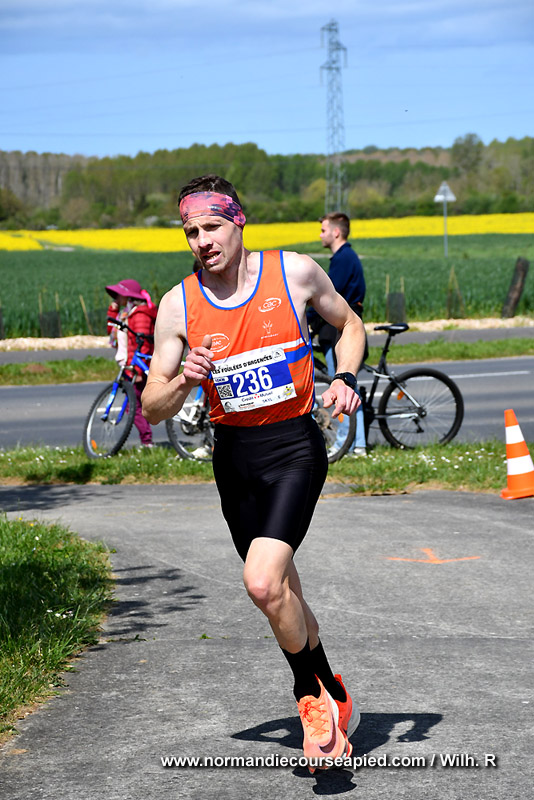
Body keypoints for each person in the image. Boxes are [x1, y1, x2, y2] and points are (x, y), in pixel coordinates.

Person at [141, 175, 366, 772]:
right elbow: (152, 405)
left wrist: (345, 377)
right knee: (284, 593)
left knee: (262, 584)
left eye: (212, 226)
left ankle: (310, 702)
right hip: (234, 461)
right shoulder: (178, 304)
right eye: (191, 231)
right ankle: (334, 691)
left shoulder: (294, 273)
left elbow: (350, 325)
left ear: (238, 221)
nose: (202, 241)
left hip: (294, 448)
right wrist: (184, 379)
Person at [308, 212, 368, 457]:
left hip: (338, 332)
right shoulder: (345, 257)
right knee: (346, 387)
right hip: (336, 330)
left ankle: (349, 443)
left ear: (336, 232)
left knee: (342, 387)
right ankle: (356, 443)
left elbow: (328, 299)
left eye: (323, 230)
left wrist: (307, 320)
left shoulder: (343, 259)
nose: (320, 235)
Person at [106, 278, 158, 447]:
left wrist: (137, 370)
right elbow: (112, 330)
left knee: (133, 407)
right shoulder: (127, 313)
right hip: (130, 365)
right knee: (136, 405)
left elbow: (143, 344)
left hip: (138, 367)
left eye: (118, 295)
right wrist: (113, 310)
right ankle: (147, 441)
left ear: (128, 297)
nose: (116, 298)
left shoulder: (141, 314)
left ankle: (147, 442)